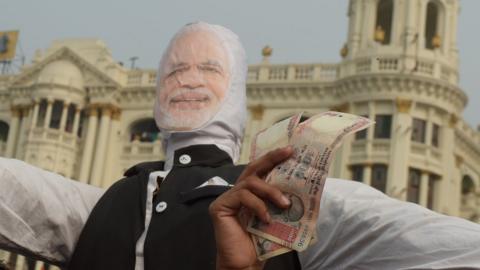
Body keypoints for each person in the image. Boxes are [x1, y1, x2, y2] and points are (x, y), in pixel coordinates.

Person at [1, 22, 480, 270]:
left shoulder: (289, 206)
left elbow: (448, 248)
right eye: (174, 69)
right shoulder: (98, 206)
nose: (187, 79)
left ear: (237, 92)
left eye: (209, 69)